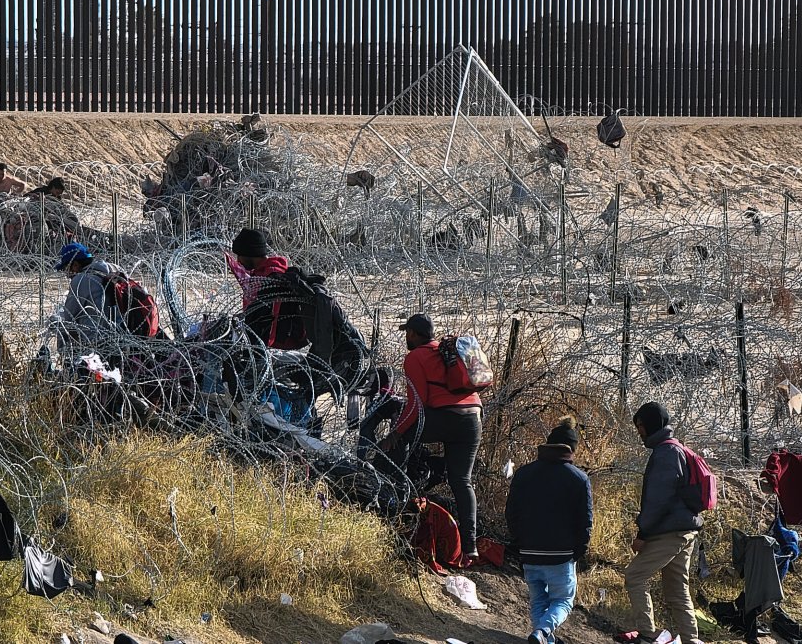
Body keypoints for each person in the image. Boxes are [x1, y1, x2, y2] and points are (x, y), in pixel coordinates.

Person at [378, 313, 482, 566]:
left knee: (398, 443)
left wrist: (395, 434)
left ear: (413, 334)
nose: (406, 337)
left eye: (407, 333)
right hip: (473, 419)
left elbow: (416, 405)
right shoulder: (447, 352)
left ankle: (387, 496)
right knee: (462, 481)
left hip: (443, 418)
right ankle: (470, 548)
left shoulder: (415, 357)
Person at [228, 228, 368, 391]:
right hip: (282, 348)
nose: (238, 260)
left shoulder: (272, 280)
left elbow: (269, 325)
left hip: (276, 350)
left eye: (240, 255)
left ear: (250, 253)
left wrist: (254, 351)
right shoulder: (266, 276)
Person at [618, 401, 705, 644]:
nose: (639, 432)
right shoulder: (674, 448)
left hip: (670, 532)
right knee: (677, 589)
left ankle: (647, 635)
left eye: (640, 426)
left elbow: (659, 499)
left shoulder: (665, 453)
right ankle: (691, 640)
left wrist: (643, 533)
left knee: (635, 576)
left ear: (651, 425)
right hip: (685, 530)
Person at [506, 418, 593, 644]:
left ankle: (544, 638)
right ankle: (543, 631)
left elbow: (511, 513)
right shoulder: (579, 479)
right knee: (563, 601)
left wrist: (519, 541)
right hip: (561, 554)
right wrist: (578, 551)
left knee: (538, 601)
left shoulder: (524, 474)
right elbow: (585, 521)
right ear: (572, 449)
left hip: (529, 551)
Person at [51, 242, 126, 355]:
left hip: (94, 343)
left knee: (62, 329)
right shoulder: (115, 269)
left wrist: (54, 321)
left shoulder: (80, 280)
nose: (67, 274)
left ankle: (70, 367)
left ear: (75, 265)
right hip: (122, 337)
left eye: (66, 268)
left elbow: (69, 317)